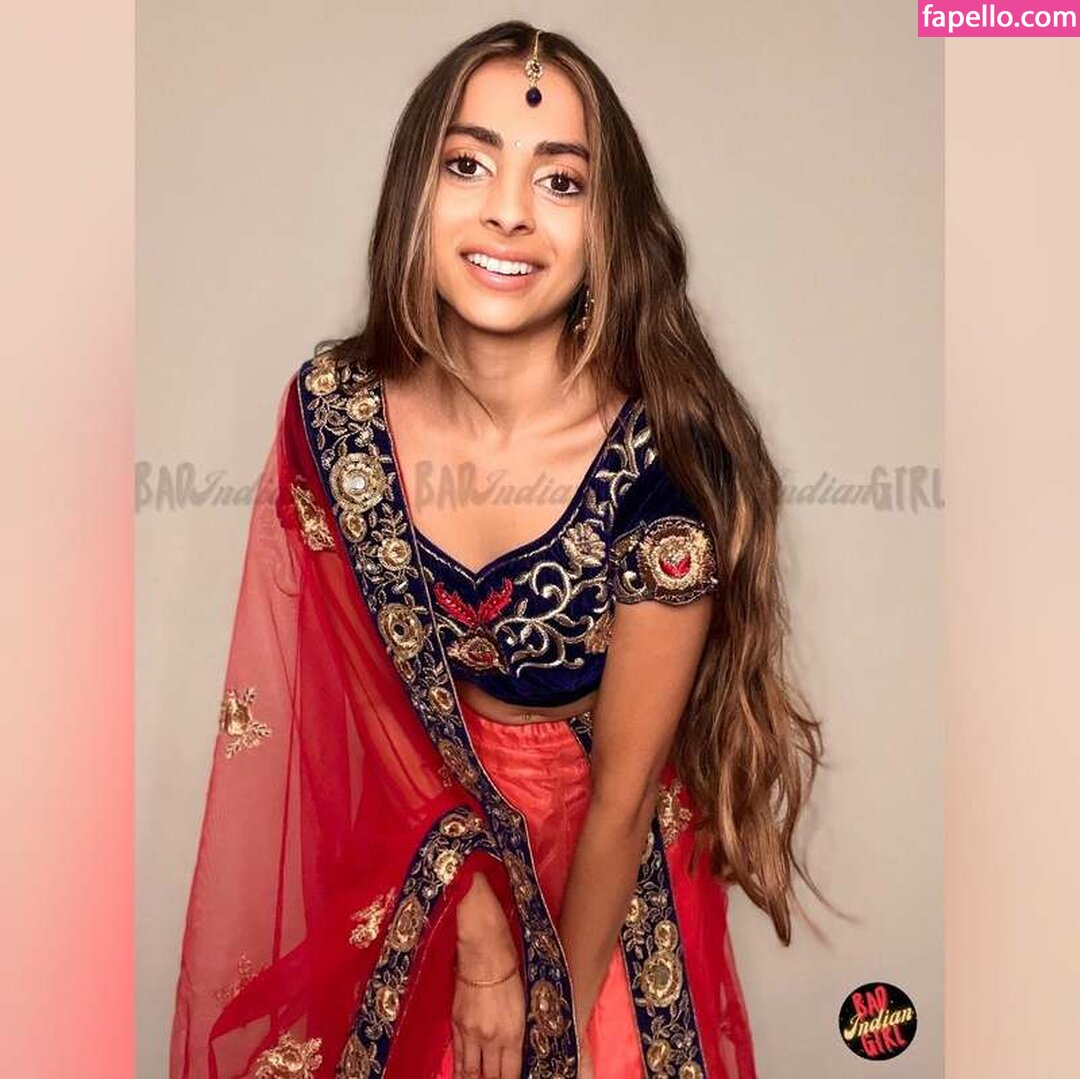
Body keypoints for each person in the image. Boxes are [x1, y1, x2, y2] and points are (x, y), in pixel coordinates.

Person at [169, 20, 829, 1079]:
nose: (509, 210)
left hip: (600, 852)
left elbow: (623, 793)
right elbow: (351, 692)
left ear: (608, 225)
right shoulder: (336, 415)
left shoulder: (663, 461)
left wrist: (551, 1020)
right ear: (414, 191)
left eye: (560, 181)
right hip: (411, 822)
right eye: (468, 164)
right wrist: (472, 910)